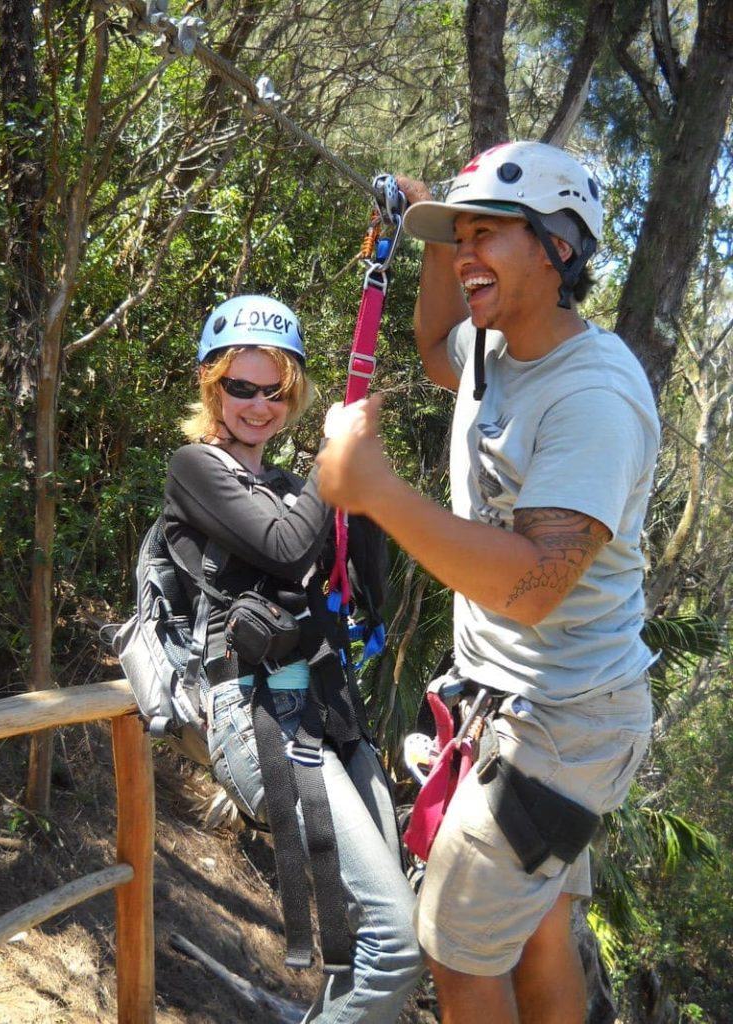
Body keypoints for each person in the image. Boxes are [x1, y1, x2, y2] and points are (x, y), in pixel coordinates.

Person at [315, 141, 660, 1024]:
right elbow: (434, 342)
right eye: (460, 237)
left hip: (566, 720)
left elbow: (534, 586)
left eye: (489, 235)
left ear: (559, 247)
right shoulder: (492, 348)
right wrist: (431, 228)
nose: (469, 254)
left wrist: (376, 491)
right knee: (539, 924)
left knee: (455, 946)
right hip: (518, 704)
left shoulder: (595, 396)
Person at [161, 293, 421, 1024]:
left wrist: (359, 484)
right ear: (213, 385)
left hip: (332, 719)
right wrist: (332, 465)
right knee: (397, 947)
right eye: (240, 387)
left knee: (378, 937)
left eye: (274, 390)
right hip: (261, 719)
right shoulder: (196, 470)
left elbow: (366, 581)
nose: (257, 404)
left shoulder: (287, 485)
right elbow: (282, 546)